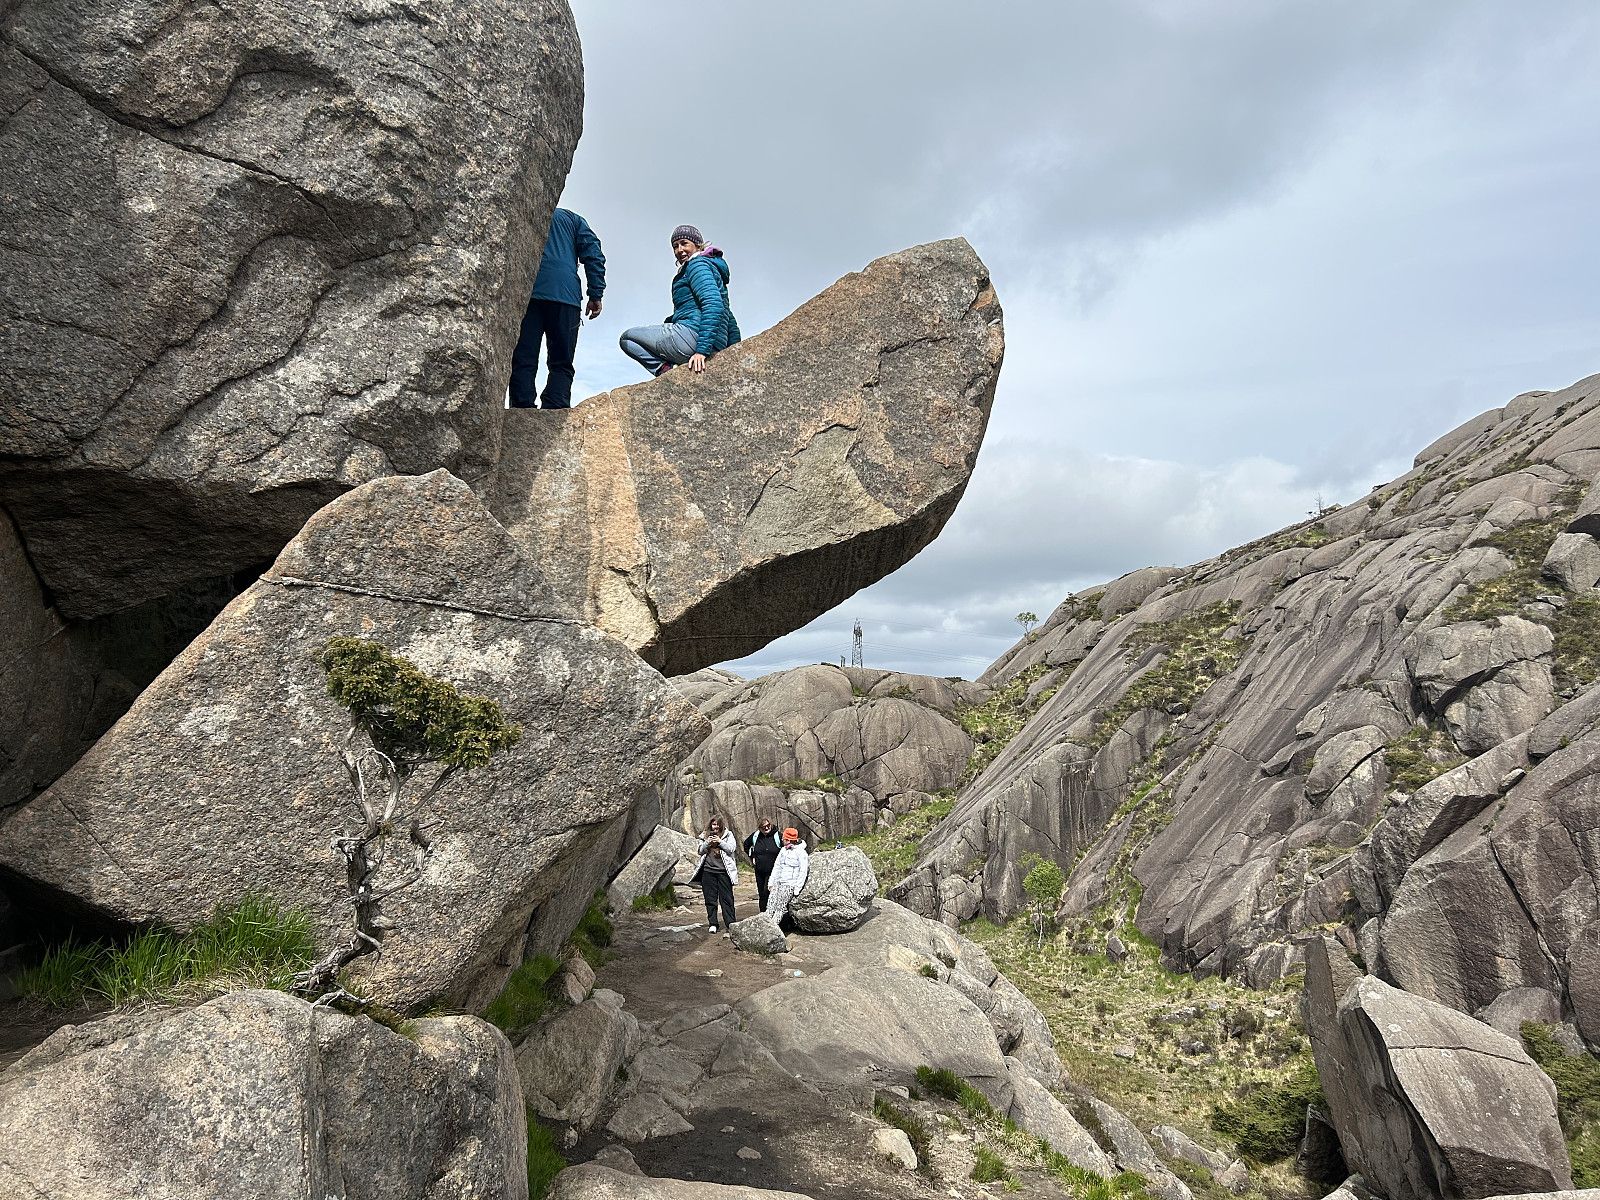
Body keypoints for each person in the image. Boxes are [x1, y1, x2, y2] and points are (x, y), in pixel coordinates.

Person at [509, 207, 605, 410]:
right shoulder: (573, 219)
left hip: (528, 294)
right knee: (561, 361)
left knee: (523, 358)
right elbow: (594, 255)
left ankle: (521, 408)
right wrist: (595, 294)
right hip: (565, 297)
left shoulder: (526, 210)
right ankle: (556, 407)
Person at [619, 224, 741, 377]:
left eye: (684, 243)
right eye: (675, 246)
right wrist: (734, 353)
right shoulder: (710, 266)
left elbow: (713, 305)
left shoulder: (697, 265)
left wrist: (701, 351)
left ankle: (666, 372)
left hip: (693, 338)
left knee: (628, 339)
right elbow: (728, 317)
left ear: (697, 245)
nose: (679, 250)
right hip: (714, 343)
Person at [689, 815, 738, 934]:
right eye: (713, 824)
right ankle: (713, 923)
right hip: (708, 871)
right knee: (710, 899)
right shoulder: (704, 835)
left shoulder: (728, 835)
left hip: (723, 872)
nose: (715, 827)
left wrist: (720, 842)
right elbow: (700, 850)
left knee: (727, 899)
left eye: (717, 824)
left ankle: (730, 924)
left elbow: (731, 849)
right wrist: (707, 843)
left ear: (721, 825)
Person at [765, 827, 809, 928]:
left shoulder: (801, 852)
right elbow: (777, 866)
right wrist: (771, 882)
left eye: (783, 838)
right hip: (779, 882)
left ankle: (771, 929)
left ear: (788, 839)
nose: (782, 840)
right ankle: (764, 925)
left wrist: (797, 888)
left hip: (790, 884)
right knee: (770, 905)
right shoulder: (783, 850)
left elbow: (803, 871)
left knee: (779, 908)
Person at [743, 817, 783, 913]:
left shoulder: (778, 835)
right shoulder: (755, 836)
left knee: (768, 892)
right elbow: (746, 845)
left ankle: (772, 914)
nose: (766, 828)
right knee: (762, 894)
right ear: (759, 828)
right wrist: (752, 856)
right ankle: (763, 915)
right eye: (763, 827)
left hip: (774, 871)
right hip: (760, 870)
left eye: (768, 826)